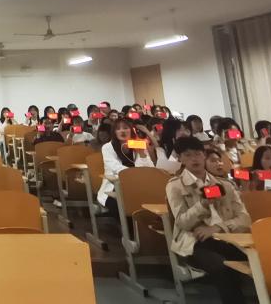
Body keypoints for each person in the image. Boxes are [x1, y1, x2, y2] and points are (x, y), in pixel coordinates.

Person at [165, 137, 250, 304]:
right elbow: (182, 222)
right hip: (195, 241)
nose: (194, 159)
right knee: (222, 266)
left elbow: (244, 218)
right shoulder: (175, 186)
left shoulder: (225, 185)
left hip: (227, 237)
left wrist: (218, 227)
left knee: (259, 259)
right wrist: (202, 205)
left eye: (197, 154)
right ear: (180, 158)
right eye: (188, 155)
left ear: (204, 155)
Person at [97, 118, 156, 209]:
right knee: (121, 205)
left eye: (125, 128)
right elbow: (115, 168)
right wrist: (135, 174)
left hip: (138, 185)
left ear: (131, 130)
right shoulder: (107, 147)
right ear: (114, 132)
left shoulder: (137, 144)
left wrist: (142, 153)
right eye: (118, 129)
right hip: (116, 186)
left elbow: (149, 168)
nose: (122, 131)